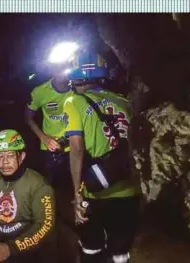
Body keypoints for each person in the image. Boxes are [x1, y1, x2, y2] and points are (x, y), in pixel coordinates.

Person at [63, 50, 141, 263]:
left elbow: (76, 148)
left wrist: (77, 193)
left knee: (91, 247)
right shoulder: (124, 100)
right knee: (120, 251)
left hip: (95, 191)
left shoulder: (73, 102)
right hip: (129, 188)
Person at [25, 41, 79, 262]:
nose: (62, 74)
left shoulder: (78, 89)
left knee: (78, 188)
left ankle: (79, 225)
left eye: (66, 68)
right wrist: (44, 138)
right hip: (50, 151)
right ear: (51, 70)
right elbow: (27, 117)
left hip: (75, 149)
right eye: (58, 69)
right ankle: (50, 229)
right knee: (50, 192)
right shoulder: (40, 92)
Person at [0, 129, 56, 263]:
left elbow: (45, 225)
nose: (4, 162)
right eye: (0, 156)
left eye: (9, 155)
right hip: (2, 243)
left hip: (30, 250)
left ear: (22, 156)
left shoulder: (38, 184)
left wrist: (9, 248)